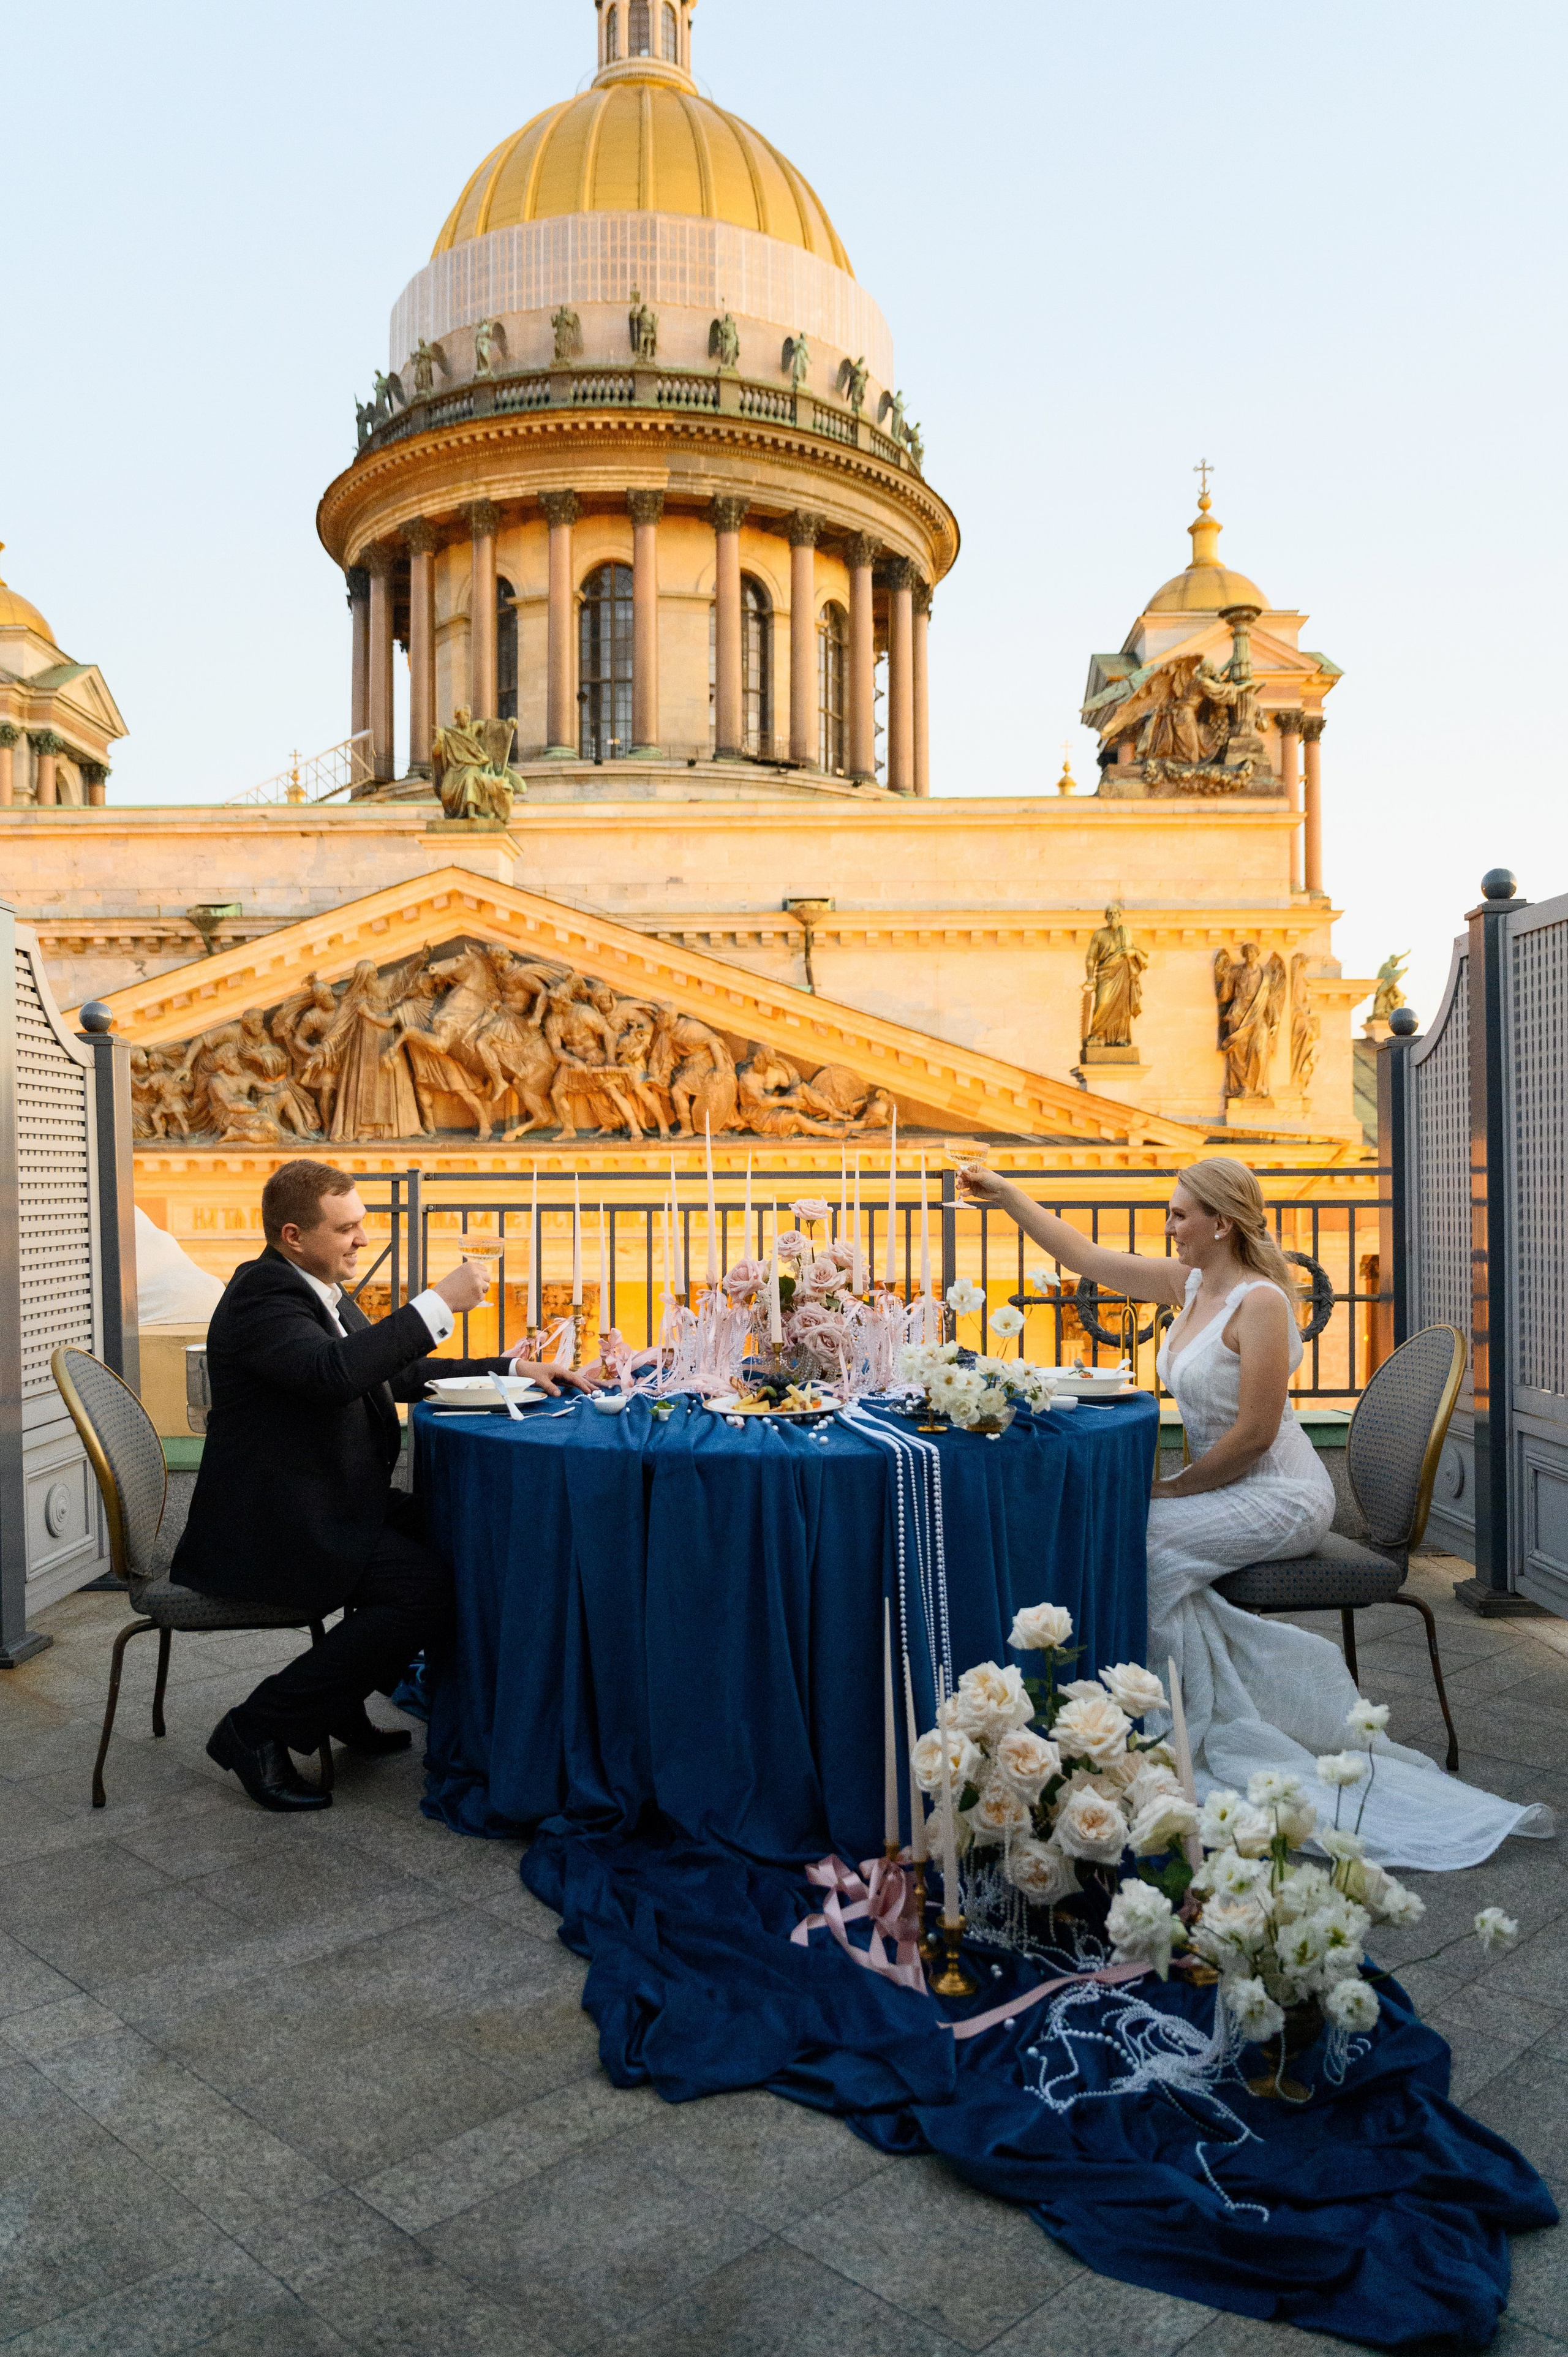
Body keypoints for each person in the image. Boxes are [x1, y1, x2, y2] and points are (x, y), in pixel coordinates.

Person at [958, 1154, 1551, 1868]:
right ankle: (1160, 1721)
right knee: (1118, 1538)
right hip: (1223, 1485)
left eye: (1181, 1213)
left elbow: (1255, 1435)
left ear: (1222, 1222)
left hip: (1281, 1494)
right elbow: (1084, 1253)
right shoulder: (1192, 1282)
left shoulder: (1261, 1302)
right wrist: (1006, 1193)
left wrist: (1175, 1488)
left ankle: (1161, 1734)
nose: (1170, 1224)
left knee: (1137, 1549)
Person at [175, 1159, 592, 1814]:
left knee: (458, 1529)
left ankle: (340, 1700)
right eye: (346, 1229)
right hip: (278, 1521)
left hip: (330, 1496)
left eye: (362, 1224)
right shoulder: (262, 1297)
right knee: (424, 1592)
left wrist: (514, 1366)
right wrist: (436, 1302)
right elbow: (334, 1373)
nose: (362, 1239)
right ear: (293, 1234)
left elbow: (388, 1372)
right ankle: (257, 1726)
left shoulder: (315, 1286)